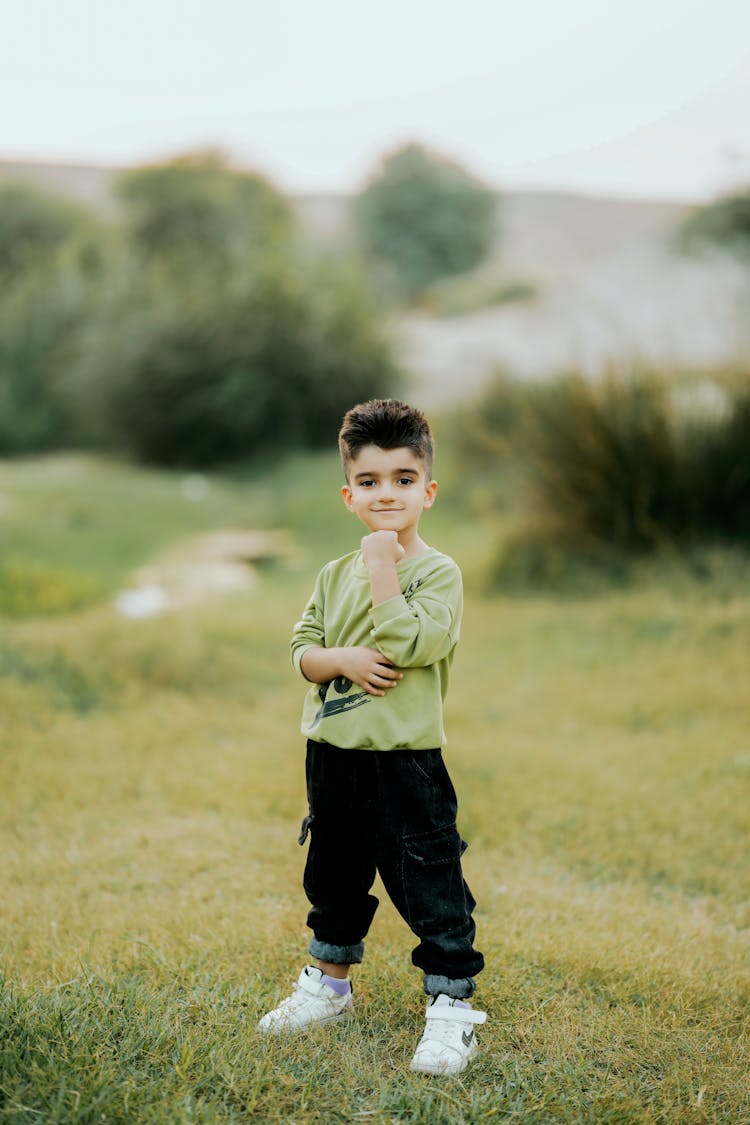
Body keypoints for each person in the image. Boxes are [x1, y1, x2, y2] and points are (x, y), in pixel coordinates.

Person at [258, 398, 485, 1075]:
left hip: (405, 762)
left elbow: (412, 640)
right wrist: (340, 660)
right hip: (332, 758)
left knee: (429, 878)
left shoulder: (437, 573)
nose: (387, 493)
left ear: (429, 490)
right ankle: (329, 985)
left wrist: (383, 563)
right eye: (370, 481)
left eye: (403, 479)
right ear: (349, 493)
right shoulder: (332, 575)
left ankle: (451, 1007)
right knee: (332, 873)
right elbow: (301, 648)